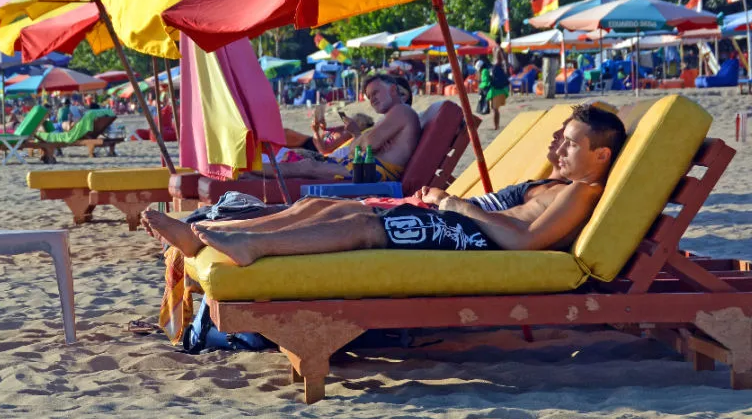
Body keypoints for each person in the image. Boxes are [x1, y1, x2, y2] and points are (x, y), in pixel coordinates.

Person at [142, 104, 626, 266]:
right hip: (455, 220)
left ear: (601, 156)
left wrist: (460, 205)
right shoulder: (555, 180)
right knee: (320, 205)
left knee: (359, 223)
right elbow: (533, 187)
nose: (560, 149)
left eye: (572, 144)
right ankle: (226, 232)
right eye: (561, 141)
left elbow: (524, 242)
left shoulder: (580, 193)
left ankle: (250, 245)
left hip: (473, 237)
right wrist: (445, 202)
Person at [249, 72, 421, 183]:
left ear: (392, 89)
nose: (372, 99)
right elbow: (363, 146)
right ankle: (247, 175)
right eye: (369, 96)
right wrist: (363, 143)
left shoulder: (401, 111)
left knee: (308, 167)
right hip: (366, 169)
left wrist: (363, 143)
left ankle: (246, 171)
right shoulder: (394, 116)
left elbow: (366, 146)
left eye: (376, 93)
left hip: (372, 174)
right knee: (306, 166)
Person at [488, 52, 510, 130]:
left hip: (496, 90)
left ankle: (496, 126)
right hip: (501, 90)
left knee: (495, 109)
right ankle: (496, 125)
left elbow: (495, 79)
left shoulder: (496, 67)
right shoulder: (502, 67)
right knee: (495, 109)